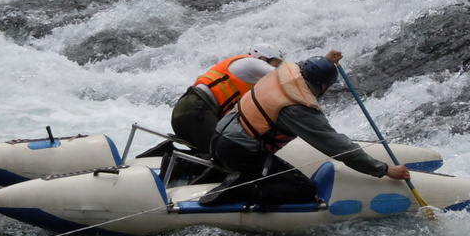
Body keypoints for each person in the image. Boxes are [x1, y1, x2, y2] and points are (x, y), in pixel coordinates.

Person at [204, 49, 410, 209]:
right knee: (303, 189)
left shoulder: (287, 72)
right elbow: (337, 146)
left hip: (219, 136)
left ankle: (242, 175)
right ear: (322, 86)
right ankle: (245, 188)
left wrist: (327, 61)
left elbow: (308, 65)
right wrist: (384, 170)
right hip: (240, 151)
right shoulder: (299, 107)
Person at [170, 44, 283, 155]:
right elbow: (283, 75)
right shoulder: (250, 63)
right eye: (276, 64)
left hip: (191, 113)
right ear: (263, 58)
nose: (276, 67)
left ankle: (175, 160)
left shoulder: (252, 83)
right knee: (226, 152)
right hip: (196, 109)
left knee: (219, 153)